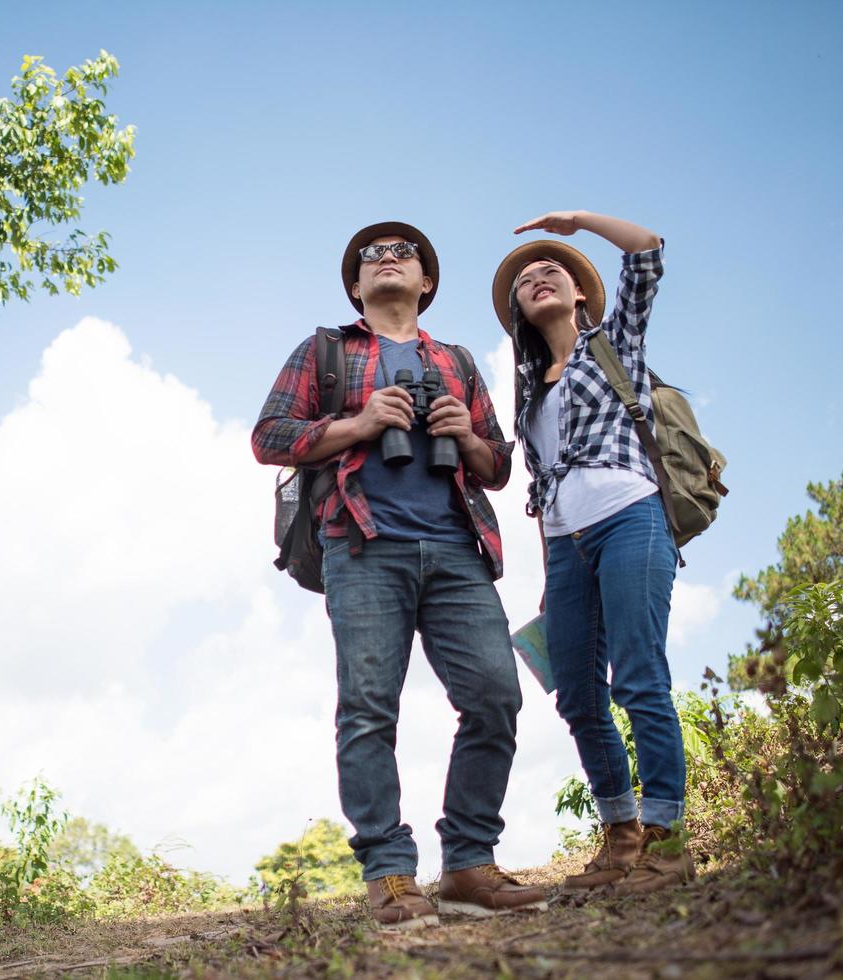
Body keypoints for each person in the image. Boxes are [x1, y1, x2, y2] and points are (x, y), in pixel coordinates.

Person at [253, 222, 546, 930]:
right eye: (369, 257)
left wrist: (463, 436)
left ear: (426, 283)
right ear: (356, 286)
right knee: (367, 709)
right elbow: (268, 437)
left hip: (455, 550)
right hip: (362, 546)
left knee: (494, 698)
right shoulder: (325, 351)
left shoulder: (455, 360)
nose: (386, 259)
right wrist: (358, 424)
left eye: (402, 253)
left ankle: (469, 866)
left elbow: (498, 468)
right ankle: (388, 873)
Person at [491, 210, 694, 895]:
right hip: (563, 547)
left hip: (630, 519)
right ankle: (620, 835)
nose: (536, 276)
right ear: (519, 309)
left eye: (552, 270)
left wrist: (575, 222)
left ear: (580, 293)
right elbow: (540, 485)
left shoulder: (615, 342)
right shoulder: (526, 387)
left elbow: (645, 252)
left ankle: (666, 843)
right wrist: (550, 572)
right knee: (576, 694)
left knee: (638, 676)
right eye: (524, 278)